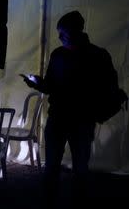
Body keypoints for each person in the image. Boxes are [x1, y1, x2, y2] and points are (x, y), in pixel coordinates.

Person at [23, 11, 119, 206]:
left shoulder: (97, 55)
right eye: (59, 33)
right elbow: (50, 85)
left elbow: (109, 87)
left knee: (80, 168)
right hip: (59, 118)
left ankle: (76, 201)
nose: (60, 37)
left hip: (82, 120)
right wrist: (37, 83)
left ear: (77, 31)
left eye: (63, 33)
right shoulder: (59, 54)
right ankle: (51, 201)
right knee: (52, 166)